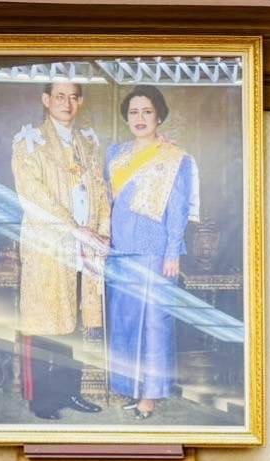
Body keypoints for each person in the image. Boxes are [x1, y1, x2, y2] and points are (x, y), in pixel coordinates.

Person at [11, 80, 109, 420]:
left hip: (85, 248)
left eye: (73, 97)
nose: (67, 103)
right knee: (45, 322)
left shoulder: (88, 143)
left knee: (76, 321)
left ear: (80, 101)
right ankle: (43, 399)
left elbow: (100, 191)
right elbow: (33, 195)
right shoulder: (29, 142)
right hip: (49, 246)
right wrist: (74, 227)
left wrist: (102, 233)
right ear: (46, 99)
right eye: (59, 96)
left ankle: (70, 391)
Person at [103, 85, 199, 420]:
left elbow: (179, 209)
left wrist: (172, 252)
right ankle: (130, 386)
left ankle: (151, 395)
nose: (140, 118)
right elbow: (106, 201)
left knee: (155, 325)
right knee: (125, 322)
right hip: (119, 250)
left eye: (147, 111)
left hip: (156, 251)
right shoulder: (115, 154)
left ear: (159, 115)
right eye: (133, 112)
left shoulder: (176, 158)